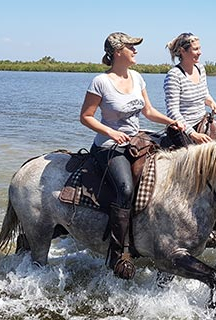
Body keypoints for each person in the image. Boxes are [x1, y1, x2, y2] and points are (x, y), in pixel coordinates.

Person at [80, 32, 184, 279]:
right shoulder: (100, 82)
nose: (135, 51)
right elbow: (85, 116)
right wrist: (110, 132)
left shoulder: (137, 78)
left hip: (137, 141)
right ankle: (119, 253)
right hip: (109, 147)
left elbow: (148, 111)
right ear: (118, 52)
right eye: (131, 47)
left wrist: (172, 121)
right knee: (125, 189)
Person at [164, 32, 216, 147]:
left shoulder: (200, 68)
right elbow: (172, 112)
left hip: (203, 123)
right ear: (182, 51)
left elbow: (204, 94)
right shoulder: (174, 75)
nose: (200, 52)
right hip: (182, 130)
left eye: (199, 48)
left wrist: (212, 103)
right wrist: (193, 134)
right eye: (195, 49)